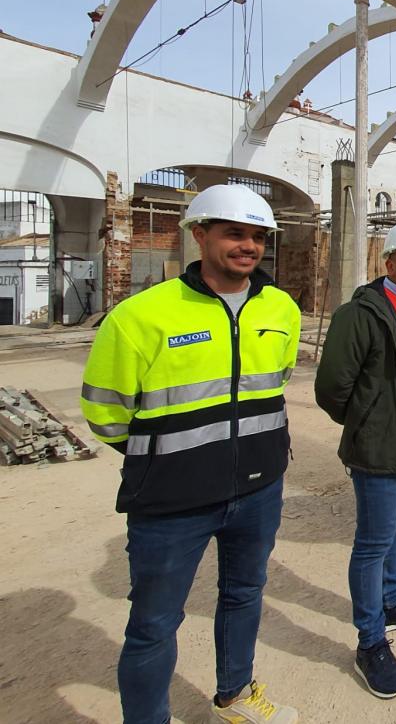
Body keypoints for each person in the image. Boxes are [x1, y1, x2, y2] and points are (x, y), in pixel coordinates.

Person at [79, 183, 300, 724]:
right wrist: (167, 459)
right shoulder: (142, 316)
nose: (248, 246)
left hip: (257, 488)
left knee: (245, 595)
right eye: (234, 233)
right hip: (171, 501)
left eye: (257, 236)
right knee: (154, 624)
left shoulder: (281, 309)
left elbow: (278, 381)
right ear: (199, 235)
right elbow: (105, 412)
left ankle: (235, 695)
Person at [314, 221, 396, 700]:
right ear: (387, 262)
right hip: (381, 442)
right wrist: (369, 423)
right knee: (371, 541)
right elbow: (331, 388)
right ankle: (370, 641)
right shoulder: (362, 313)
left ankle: (391, 600)